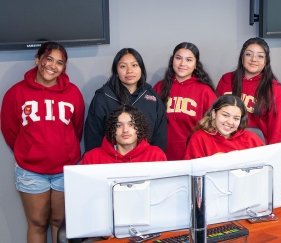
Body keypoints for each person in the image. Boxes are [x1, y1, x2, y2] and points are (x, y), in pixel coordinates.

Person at [1, 42, 85, 243]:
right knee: (37, 223)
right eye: (48, 59)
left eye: (60, 62)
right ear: (38, 60)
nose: (52, 66)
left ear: (64, 67)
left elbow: (77, 128)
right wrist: (29, 151)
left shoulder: (73, 93)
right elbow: (10, 129)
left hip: (64, 171)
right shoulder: (16, 93)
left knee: (60, 223)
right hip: (31, 172)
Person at [84, 48, 167, 153]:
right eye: (123, 66)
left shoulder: (151, 96)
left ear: (141, 68)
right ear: (116, 71)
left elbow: (160, 136)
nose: (129, 71)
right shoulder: (103, 97)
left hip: (145, 162)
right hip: (111, 162)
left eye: (134, 65)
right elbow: (93, 136)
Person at [216, 37, 281, 145]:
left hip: (255, 149)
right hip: (223, 145)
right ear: (242, 57)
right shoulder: (226, 80)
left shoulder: (275, 89)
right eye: (249, 54)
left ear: (266, 61)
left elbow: (279, 132)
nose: (254, 59)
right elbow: (214, 115)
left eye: (260, 56)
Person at [153, 42, 216, 160]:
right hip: (162, 156)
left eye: (189, 60)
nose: (182, 64)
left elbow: (213, 128)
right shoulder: (159, 87)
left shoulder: (205, 91)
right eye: (178, 58)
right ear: (172, 61)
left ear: (196, 64)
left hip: (193, 155)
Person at [184, 94, 263, 159]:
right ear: (214, 114)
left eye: (236, 118)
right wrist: (211, 162)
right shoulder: (199, 138)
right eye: (225, 115)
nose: (230, 122)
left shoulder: (251, 138)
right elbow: (192, 171)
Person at [81, 105, 166, 164]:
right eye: (119, 125)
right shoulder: (91, 158)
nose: (125, 130)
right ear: (112, 129)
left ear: (140, 128)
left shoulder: (156, 156)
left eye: (131, 124)